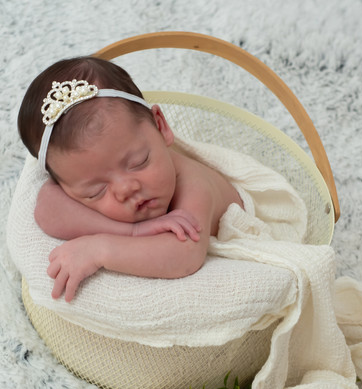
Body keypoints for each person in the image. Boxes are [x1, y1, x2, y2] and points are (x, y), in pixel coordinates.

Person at [17, 56, 243, 303]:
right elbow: (47, 209)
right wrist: (133, 231)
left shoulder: (193, 183)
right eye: (96, 191)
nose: (126, 189)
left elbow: (186, 255)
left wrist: (99, 249)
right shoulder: (82, 173)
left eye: (139, 162)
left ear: (160, 126)